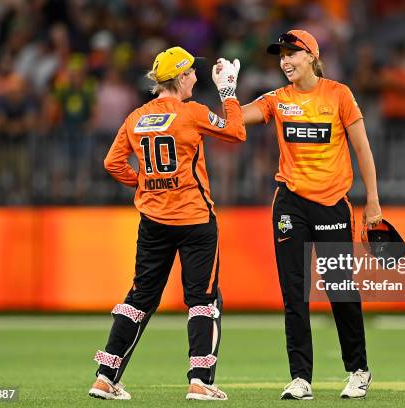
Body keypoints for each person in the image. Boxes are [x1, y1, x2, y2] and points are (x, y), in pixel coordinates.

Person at [88, 46, 246, 401]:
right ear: (180, 77)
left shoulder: (136, 117)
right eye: (191, 72)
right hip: (194, 221)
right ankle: (200, 380)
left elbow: (112, 164)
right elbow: (237, 132)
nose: (195, 77)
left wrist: (144, 182)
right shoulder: (192, 113)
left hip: (153, 222)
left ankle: (105, 376)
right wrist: (229, 92)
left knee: (139, 298)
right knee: (204, 300)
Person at [238, 30, 382, 399]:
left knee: (339, 288)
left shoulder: (339, 94)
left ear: (312, 56)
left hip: (333, 202)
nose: (285, 61)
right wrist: (225, 94)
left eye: (292, 54)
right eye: (281, 56)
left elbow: (363, 150)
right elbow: (235, 121)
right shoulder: (278, 99)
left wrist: (373, 202)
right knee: (294, 293)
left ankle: (358, 370)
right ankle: (301, 378)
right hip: (291, 204)